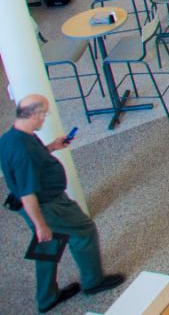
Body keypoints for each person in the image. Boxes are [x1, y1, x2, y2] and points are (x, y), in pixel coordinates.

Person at [1, 95, 124, 312]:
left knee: (49, 245)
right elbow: (27, 194)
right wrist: (41, 225)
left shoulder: (12, 137)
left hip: (40, 205)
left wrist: (51, 147)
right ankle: (94, 281)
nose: (44, 119)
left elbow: (33, 162)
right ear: (35, 114)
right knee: (84, 231)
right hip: (48, 205)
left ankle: (46, 297)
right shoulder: (23, 151)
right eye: (44, 114)